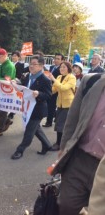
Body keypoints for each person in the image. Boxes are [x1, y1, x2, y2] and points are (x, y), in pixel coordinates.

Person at [51, 73, 105, 215]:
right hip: (80, 159)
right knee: (67, 206)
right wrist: (64, 148)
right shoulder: (91, 82)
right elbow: (72, 119)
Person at [11, 55, 52, 160]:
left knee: (29, 130)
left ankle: (20, 150)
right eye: (30, 64)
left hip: (37, 110)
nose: (31, 66)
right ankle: (47, 145)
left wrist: (39, 94)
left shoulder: (45, 79)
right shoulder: (28, 76)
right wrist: (16, 84)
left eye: (34, 64)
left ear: (41, 66)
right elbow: (25, 88)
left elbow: (48, 95)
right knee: (36, 129)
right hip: (28, 107)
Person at [48, 61, 76, 151]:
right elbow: (54, 90)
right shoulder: (59, 77)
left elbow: (63, 88)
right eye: (61, 67)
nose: (62, 69)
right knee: (60, 124)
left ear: (68, 68)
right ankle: (61, 142)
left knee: (60, 124)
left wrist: (53, 79)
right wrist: (48, 84)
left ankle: (59, 144)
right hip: (60, 104)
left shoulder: (72, 77)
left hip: (68, 104)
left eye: (64, 67)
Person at [42, 53, 64, 128]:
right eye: (55, 58)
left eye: (58, 59)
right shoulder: (51, 67)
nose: (56, 60)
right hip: (49, 88)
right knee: (48, 105)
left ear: (62, 60)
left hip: (56, 90)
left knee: (51, 106)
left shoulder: (62, 69)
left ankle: (49, 122)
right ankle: (55, 116)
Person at [8, 50, 25, 120]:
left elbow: (20, 75)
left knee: (14, 98)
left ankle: (12, 113)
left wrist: (14, 79)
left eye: (15, 56)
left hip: (16, 83)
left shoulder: (20, 65)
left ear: (18, 57)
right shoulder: (10, 64)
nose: (13, 57)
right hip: (9, 83)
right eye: (13, 56)